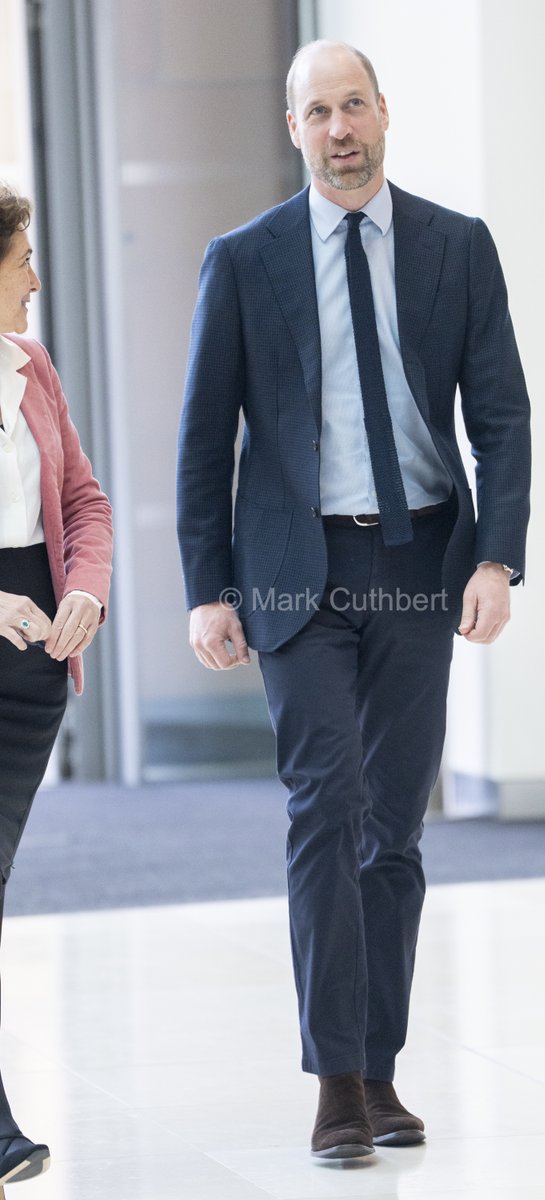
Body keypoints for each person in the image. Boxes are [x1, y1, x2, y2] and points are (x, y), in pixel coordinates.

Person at [177, 40, 530, 1160]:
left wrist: (495, 559)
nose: (339, 129)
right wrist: (205, 589)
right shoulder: (243, 261)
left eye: (354, 106)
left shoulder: (457, 249)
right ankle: (334, 1081)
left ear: (385, 112)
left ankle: (379, 1067)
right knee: (322, 811)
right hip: (296, 570)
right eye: (317, 112)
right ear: (293, 128)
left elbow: (503, 419)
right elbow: (202, 442)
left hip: (422, 563)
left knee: (394, 829)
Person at [0, 184, 113, 1187]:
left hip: (34, 657)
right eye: (22, 255)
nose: (35, 275)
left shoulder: (31, 367)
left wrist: (86, 586)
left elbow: (81, 497)